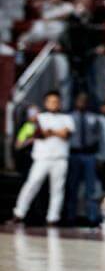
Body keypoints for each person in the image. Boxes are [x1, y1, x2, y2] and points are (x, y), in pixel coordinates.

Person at [9, 91, 74, 226]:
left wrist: (50, 132)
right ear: (45, 103)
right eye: (50, 101)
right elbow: (27, 135)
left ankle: (52, 218)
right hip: (42, 159)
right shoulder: (39, 118)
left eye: (56, 101)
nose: (53, 104)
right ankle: (19, 213)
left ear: (60, 103)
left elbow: (65, 133)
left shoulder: (66, 118)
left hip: (60, 159)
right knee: (32, 184)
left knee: (57, 189)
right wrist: (40, 132)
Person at [63, 91, 102, 226]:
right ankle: (70, 217)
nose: (82, 103)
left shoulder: (93, 118)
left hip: (89, 154)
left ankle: (92, 217)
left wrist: (97, 155)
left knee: (90, 188)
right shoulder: (69, 117)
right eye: (80, 100)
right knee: (72, 186)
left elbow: (98, 136)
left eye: (84, 100)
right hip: (74, 154)